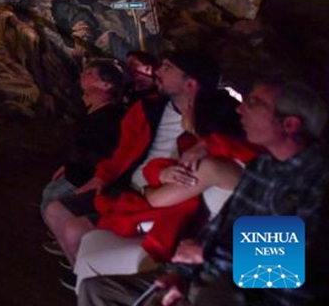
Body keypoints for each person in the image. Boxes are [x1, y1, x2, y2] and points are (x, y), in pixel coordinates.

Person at [78, 78, 329, 306]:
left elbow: (286, 263)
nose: (240, 109)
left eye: (253, 104)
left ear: (290, 124)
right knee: (98, 290)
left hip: (261, 294)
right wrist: (182, 273)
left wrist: (205, 257)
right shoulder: (261, 167)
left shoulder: (317, 182)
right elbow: (221, 227)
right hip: (214, 275)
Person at [46, 51, 220, 270]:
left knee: (74, 229)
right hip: (132, 186)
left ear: (191, 84)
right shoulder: (147, 109)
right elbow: (122, 153)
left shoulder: (216, 119)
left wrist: (205, 144)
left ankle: (95, 275)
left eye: (167, 68)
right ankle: (84, 273)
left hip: (162, 198)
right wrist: (102, 176)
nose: (157, 71)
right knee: (54, 210)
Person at [72, 88, 258, 287]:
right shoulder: (201, 149)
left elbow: (156, 199)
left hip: (197, 251)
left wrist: (145, 189)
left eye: (188, 106)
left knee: (92, 275)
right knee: (91, 241)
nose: (182, 110)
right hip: (193, 240)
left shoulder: (209, 164)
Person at [42, 59, 128, 222]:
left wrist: (77, 165)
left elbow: (104, 154)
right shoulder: (91, 111)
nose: (83, 75)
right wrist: (68, 165)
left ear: (106, 85)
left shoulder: (112, 117)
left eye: (90, 73)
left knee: (52, 200)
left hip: (88, 178)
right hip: (77, 173)